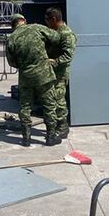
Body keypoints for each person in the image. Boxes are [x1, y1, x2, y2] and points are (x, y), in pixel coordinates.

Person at [5, 13, 63, 147]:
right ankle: (50, 136)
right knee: (49, 105)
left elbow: (12, 62)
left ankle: (26, 138)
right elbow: (56, 37)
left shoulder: (11, 38)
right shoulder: (36, 28)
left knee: (25, 107)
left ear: (13, 25)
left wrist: (25, 64)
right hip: (44, 76)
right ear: (24, 20)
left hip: (25, 77)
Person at [45, 7, 77, 140]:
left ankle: (63, 127)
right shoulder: (56, 31)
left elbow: (68, 56)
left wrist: (53, 62)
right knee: (54, 99)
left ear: (53, 19)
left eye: (47, 20)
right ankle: (58, 124)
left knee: (59, 100)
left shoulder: (66, 34)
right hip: (54, 73)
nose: (46, 23)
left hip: (60, 74)